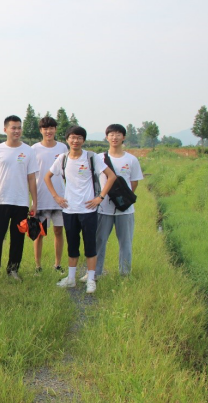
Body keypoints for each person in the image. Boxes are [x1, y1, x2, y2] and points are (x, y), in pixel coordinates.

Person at [44, 126, 116, 294]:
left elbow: (111, 176)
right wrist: (56, 196)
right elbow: (47, 177)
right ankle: (71, 279)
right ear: (67, 139)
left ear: (83, 140)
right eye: (72, 137)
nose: (75, 141)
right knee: (72, 245)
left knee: (90, 245)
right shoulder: (62, 159)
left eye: (79, 138)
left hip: (88, 210)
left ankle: (91, 280)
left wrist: (100, 197)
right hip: (69, 210)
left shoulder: (91, 157)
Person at [0, 115, 38, 280]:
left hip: (21, 202)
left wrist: (34, 202)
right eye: (13, 127)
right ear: (5, 129)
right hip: (1, 200)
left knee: (18, 238)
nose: (16, 131)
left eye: (19, 127)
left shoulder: (28, 151)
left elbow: (31, 178)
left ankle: (13, 269)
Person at [91, 124, 144, 278]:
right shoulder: (98, 158)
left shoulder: (131, 160)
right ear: (106, 137)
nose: (114, 137)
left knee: (125, 243)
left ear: (124, 137)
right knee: (99, 241)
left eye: (118, 134)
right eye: (111, 134)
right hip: (103, 208)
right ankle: (96, 273)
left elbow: (134, 182)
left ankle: (125, 274)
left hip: (125, 210)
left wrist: (122, 199)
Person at [31, 116, 68, 274]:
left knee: (58, 231)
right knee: (39, 233)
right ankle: (38, 266)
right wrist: (33, 200)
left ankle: (57, 264)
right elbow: (31, 175)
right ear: (41, 130)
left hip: (60, 198)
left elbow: (67, 172)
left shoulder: (63, 148)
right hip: (41, 197)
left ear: (55, 130)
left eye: (51, 128)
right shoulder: (34, 149)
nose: (48, 131)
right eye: (45, 128)